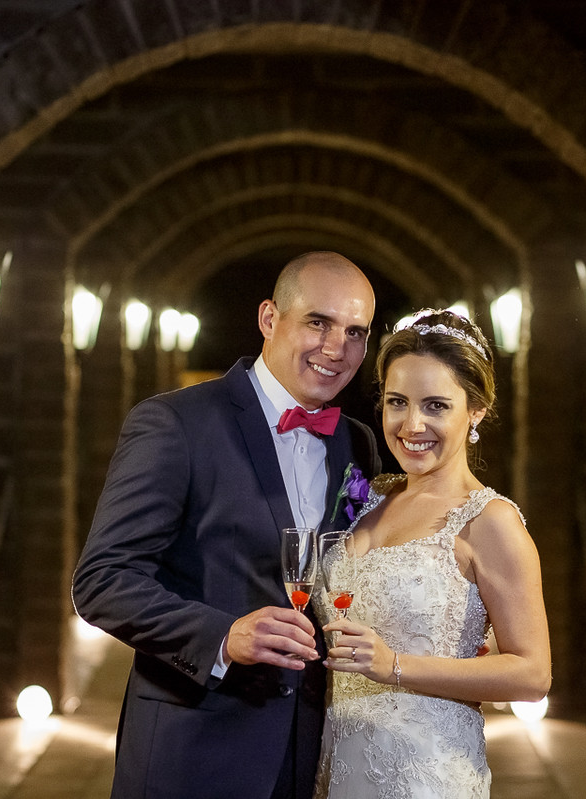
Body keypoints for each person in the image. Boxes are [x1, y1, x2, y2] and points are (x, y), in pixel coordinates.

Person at [71, 251, 382, 799]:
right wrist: (223, 636)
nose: (338, 348)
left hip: (312, 752)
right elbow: (102, 581)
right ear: (269, 318)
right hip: (194, 751)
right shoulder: (175, 423)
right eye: (319, 322)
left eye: (355, 332)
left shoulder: (356, 441)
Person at [312, 309, 552, 799]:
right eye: (397, 402)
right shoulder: (367, 498)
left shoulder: (490, 522)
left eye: (436, 406)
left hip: (424, 775)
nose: (412, 424)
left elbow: (532, 674)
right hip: (337, 768)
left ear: (476, 411)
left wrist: (395, 665)